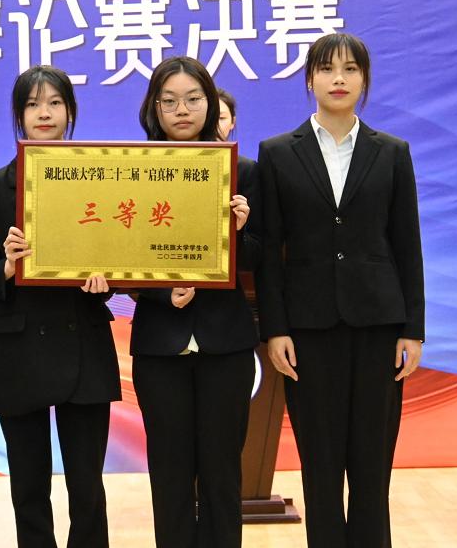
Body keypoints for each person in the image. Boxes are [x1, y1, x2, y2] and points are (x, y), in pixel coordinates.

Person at [257, 32, 424, 548]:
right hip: (309, 329)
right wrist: (276, 329)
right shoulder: (278, 153)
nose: (339, 79)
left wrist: (413, 329)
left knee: (373, 465)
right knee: (320, 465)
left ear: (364, 80)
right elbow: (269, 252)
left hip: (378, 327)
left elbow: (407, 245)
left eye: (351, 69)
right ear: (310, 79)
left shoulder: (391, 152)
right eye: (327, 69)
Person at [0, 66, 121, 548]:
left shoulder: (101, 179)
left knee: (87, 485)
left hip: (84, 341)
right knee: (28, 483)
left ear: (70, 111)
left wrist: (106, 280)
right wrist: (7, 266)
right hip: (18, 347)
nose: (44, 113)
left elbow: (123, 256)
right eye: (33, 104)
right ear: (19, 115)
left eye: (55, 102)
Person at [131, 56, 260, 548]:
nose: (181, 110)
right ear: (154, 108)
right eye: (169, 101)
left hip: (225, 343)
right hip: (159, 345)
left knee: (223, 473)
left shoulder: (243, 172)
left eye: (192, 99)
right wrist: (163, 293)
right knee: (169, 473)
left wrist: (242, 231)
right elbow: (121, 256)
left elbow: (266, 259)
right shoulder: (132, 170)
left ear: (210, 103)